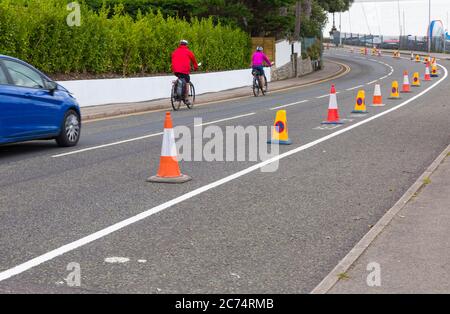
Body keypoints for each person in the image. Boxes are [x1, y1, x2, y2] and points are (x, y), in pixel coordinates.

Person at [171, 40, 198, 105]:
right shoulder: (188, 52)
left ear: (180, 44)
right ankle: (186, 98)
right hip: (184, 70)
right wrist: (195, 67)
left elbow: (173, 58)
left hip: (176, 70)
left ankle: (175, 90)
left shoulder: (175, 51)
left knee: (179, 77)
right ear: (186, 45)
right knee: (187, 81)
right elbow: (194, 60)